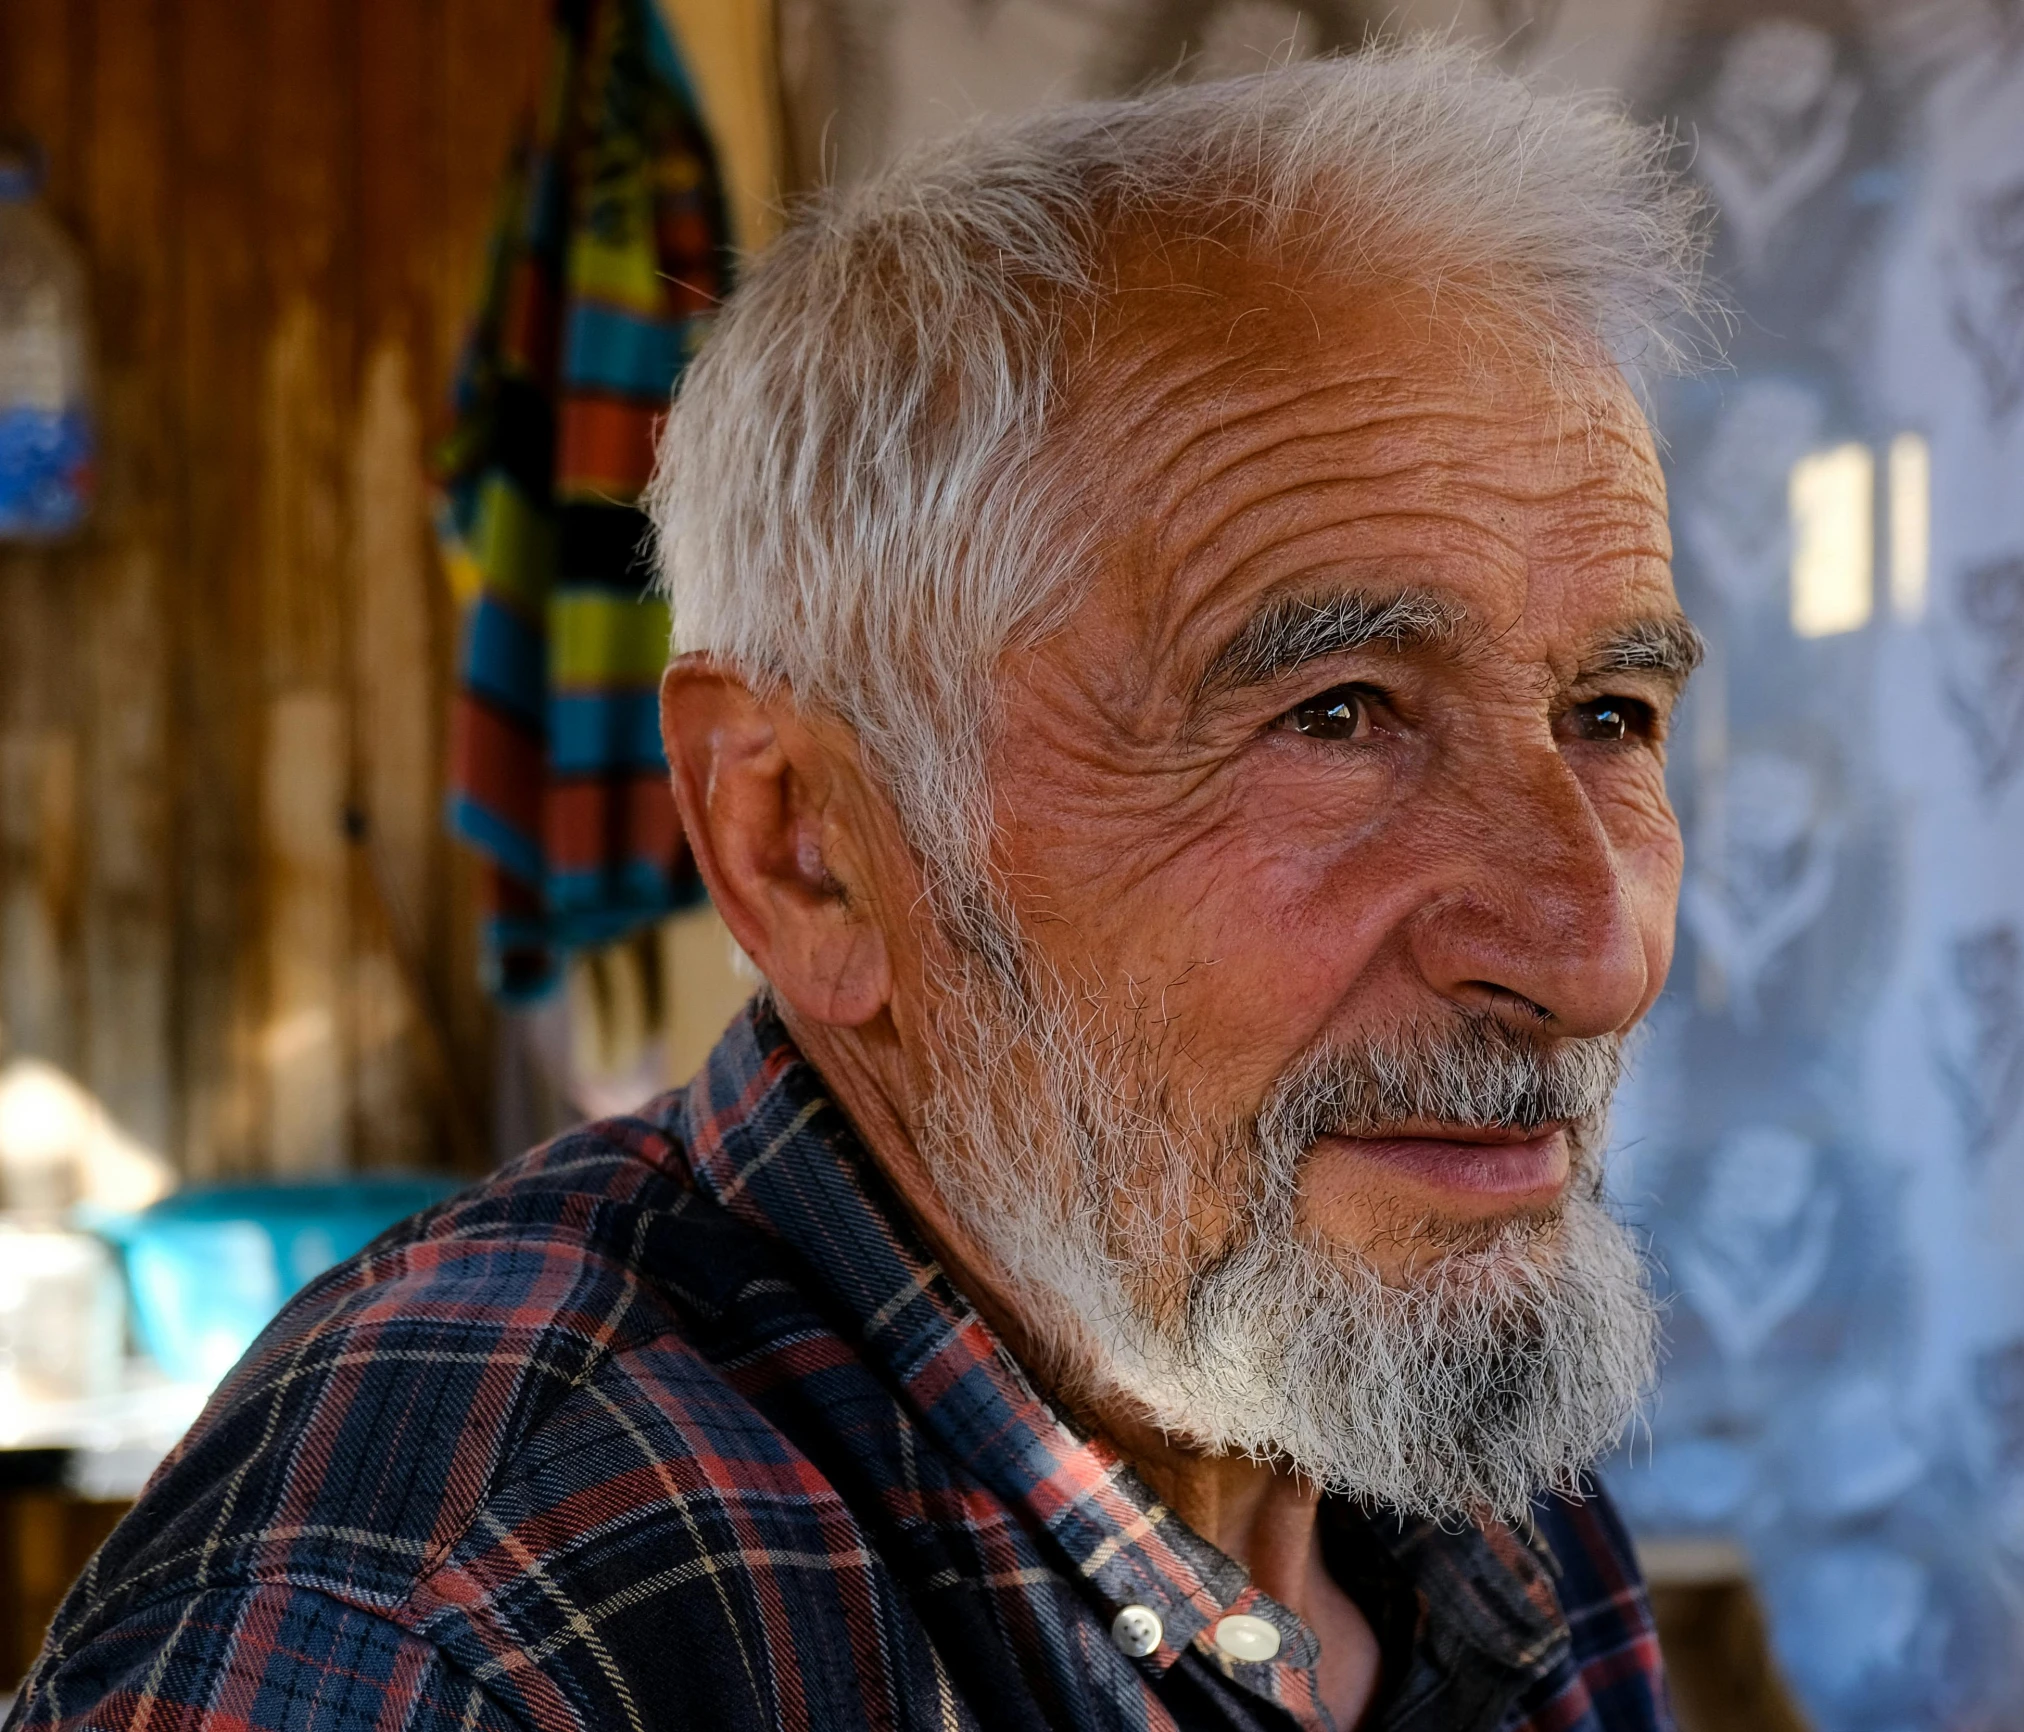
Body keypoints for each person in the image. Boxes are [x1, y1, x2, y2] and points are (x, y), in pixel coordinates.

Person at [10, 39, 1706, 1732]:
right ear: (802, 841)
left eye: (1608, 716)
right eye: (1332, 718)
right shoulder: (444, 1629)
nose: (1591, 947)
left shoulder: (1438, 1447)